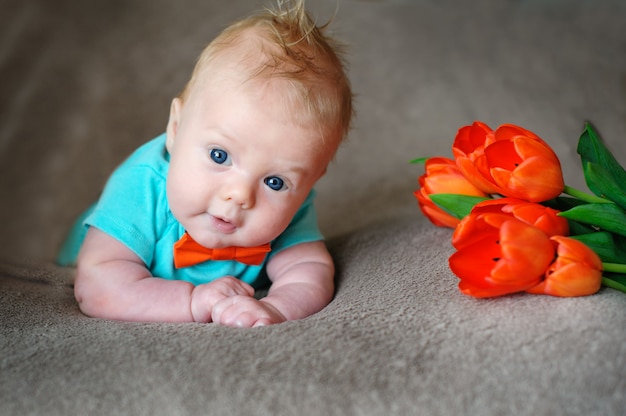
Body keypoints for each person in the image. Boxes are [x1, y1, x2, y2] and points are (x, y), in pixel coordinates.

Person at [58, 0, 353, 326]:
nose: (240, 194)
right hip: (93, 256)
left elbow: (308, 272)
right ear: (175, 128)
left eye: (274, 182)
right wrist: (193, 301)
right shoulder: (139, 186)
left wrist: (276, 308)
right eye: (219, 156)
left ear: (311, 181)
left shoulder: (293, 205)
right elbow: (98, 289)